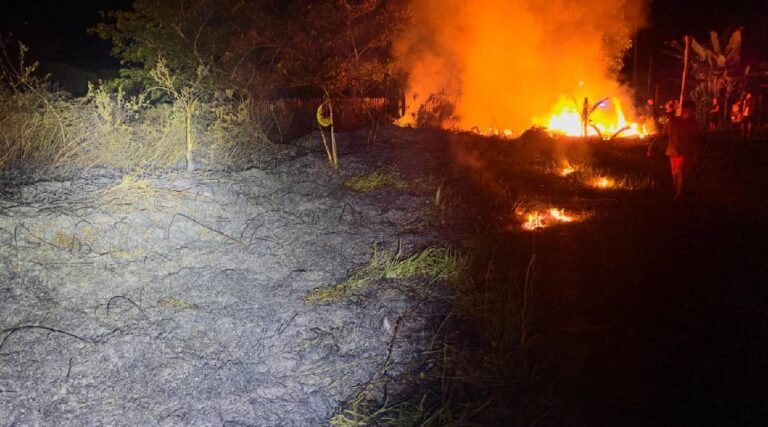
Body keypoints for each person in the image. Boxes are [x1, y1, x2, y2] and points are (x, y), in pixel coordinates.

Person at [647, 100, 700, 200]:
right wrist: (651, 147)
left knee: (681, 174)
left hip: (686, 153)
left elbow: (695, 139)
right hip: (673, 153)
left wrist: (695, 154)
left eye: (694, 111)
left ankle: (679, 197)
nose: (693, 113)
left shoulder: (694, 123)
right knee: (675, 177)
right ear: (684, 110)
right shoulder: (672, 122)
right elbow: (661, 136)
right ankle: (678, 195)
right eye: (691, 110)